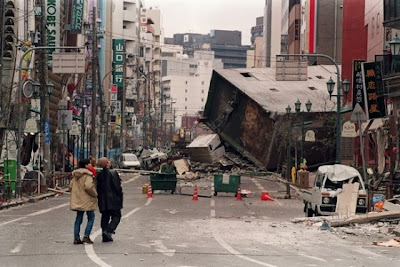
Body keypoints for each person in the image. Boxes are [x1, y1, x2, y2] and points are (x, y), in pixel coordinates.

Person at [70, 159, 98, 244]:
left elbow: (70, 186)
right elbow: (88, 187)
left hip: (78, 199)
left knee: (78, 218)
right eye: (89, 163)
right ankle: (86, 236)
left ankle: (76, 238)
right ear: (86, 165)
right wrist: (95, 193)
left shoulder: (75, 175)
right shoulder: (88, 175)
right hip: (88, 199)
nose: (91, 165)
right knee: (91, 217)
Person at [96, 157, 123, 242]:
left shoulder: (99, 174)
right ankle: (108, 230)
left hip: (102, 199)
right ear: (107, 163)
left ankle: (104, 233)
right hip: (113, 199)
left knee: (105, 216)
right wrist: (120, 195)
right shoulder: (113, 173)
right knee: (116, 216)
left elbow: (97, 187)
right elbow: (117, 187)